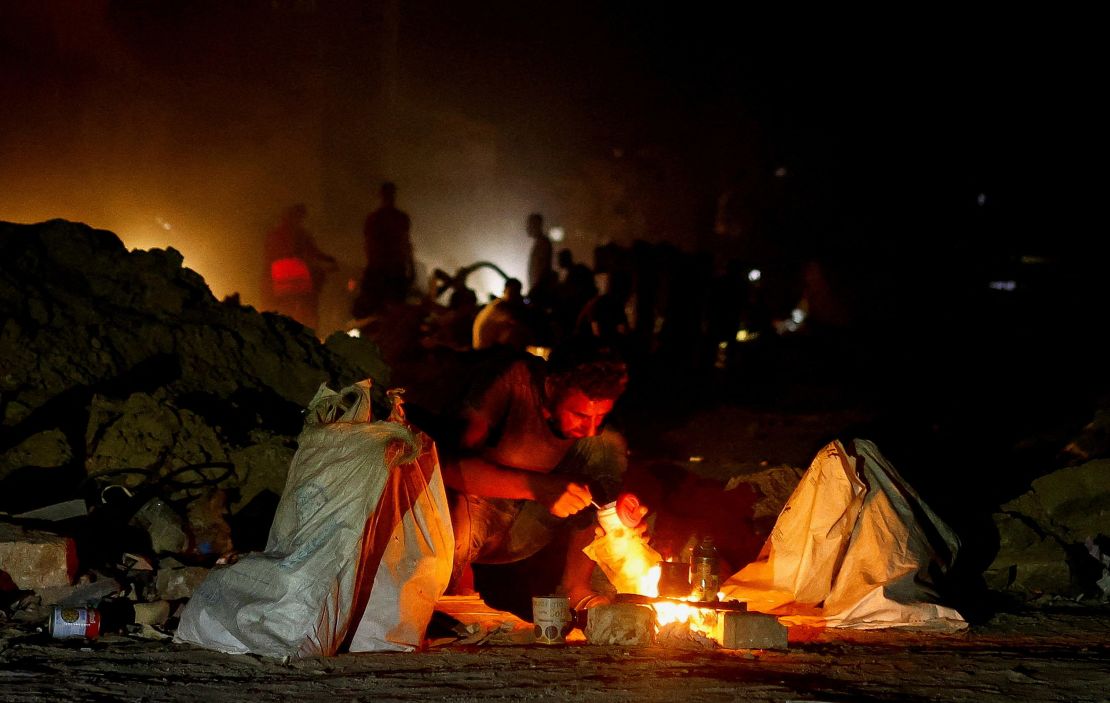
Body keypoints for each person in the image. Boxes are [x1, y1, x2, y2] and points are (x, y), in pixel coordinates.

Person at [440, 342, 646, 612]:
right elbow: (447, 467)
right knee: (453, 533)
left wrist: (618, 514)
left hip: (525, 524)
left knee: (607, 444)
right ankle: (448, 591)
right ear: (552, 386)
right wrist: (536, 487)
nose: (591, 428)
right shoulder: (512, 380)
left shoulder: (594, 429)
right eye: (580, 415)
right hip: (471, 510)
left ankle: (577, 590)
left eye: (601, 416)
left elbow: (603, 474)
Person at [263, 203, 337, 331]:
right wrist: (328, 260)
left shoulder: (275, 234)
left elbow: (269, 256)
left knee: (285, 308)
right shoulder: (300, 234)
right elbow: (313, 252)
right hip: (297, 279)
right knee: (306, 307)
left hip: (279, 280)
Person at [353, 181, 414, 318]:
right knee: (391, 310)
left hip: (384, 269)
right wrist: (411, 265)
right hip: (388, 269)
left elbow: (369, 245)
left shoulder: (377, 219)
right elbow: (405, 244)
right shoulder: (397, 218)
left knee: (381, 310)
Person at [471, 278, 531, 351]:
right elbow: (518, 328)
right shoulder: (501, 308)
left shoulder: (495, 305)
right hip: (485, 353)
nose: (517, 296)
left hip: (483, 350)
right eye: (514, 292)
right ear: (505, 290)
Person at [524, 212, 557, 311]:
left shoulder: (543, 243)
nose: (527, 228)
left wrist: (535, 290)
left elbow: (542, 269)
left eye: (529, 225)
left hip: (539, 293)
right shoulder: (540, 243)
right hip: (538, 291)